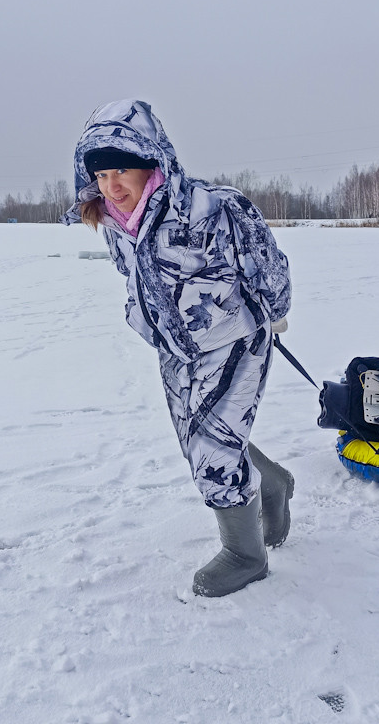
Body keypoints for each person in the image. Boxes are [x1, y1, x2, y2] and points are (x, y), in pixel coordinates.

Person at [62, 99, 294, 597]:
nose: (111, 185)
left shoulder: (215, 208)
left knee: (213, 446)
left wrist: (276, 309)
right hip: (173, 347)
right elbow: (136, 279)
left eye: (123, 169)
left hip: (234, 339)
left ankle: (245, 555)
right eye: (100, 175)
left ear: (153, 163)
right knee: (198, 439)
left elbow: (265, 259)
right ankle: (272, 486)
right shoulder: (114, 224)